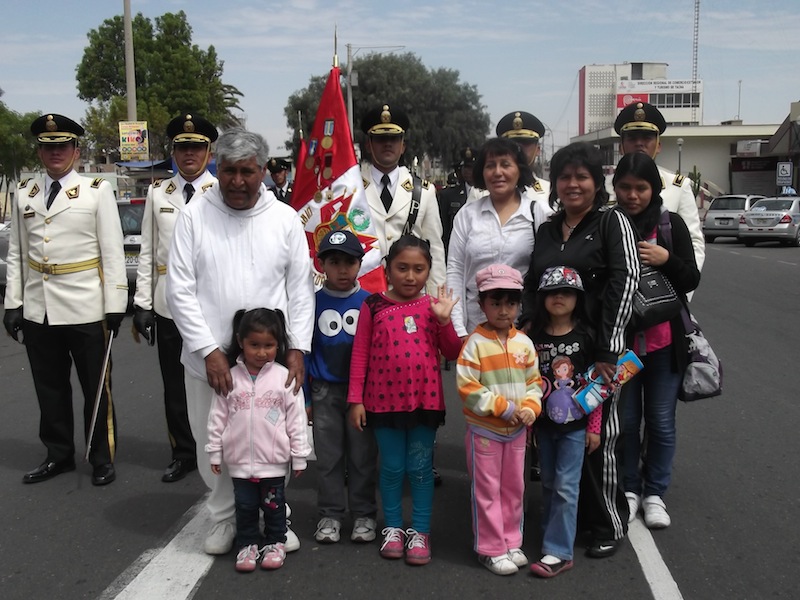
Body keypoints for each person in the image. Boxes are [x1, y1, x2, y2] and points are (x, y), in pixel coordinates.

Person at [167, 128, 314, 556]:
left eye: (246, 172)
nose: (236, 181)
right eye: (227, 171)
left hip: (269, 363)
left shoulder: (284, 218)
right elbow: (179, 289)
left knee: (273, 439)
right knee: (213, 440)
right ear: (217, 168)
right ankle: (224, 518)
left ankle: (275, 517)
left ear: (263, 171)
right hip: (208, 360)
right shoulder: (195, 215)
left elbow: (300, 289)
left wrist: (296, 349)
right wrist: (209, 351)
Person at [520, 142, 640, 559]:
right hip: (551, 352)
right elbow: (534, 286)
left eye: (582, 177)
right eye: (565, 177)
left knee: (598, 439)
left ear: (596, 182)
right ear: (554, 183)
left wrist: (609, 349)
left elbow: (625, 285)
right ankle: (564, 521)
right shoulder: (548, 229)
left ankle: (606, 521)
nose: (573, 184)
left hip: (598, 354)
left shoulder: (612, 223)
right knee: (556, 435)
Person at [3, 113, 127, 486]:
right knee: (50, 387)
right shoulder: (25, 193)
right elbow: (17, 255)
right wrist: (13, 303)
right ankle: (58, 454)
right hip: (39, 306)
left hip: (86, 304)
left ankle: (101, 456)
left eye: (62, 146)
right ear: (39, 151)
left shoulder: (96, 192)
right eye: (47, 146)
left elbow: (112, 252)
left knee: (96, 388)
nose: (55, 153)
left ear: (75, 149)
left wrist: (116, 304)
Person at [348, 235, 461, 566]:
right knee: (393, 467)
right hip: (383, 406)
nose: (410, 276)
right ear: (387, 268)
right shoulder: (373, 305)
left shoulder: (432, 307)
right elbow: (360, 354)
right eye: (402, 268)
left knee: (421, 469)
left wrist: (444, 321)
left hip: (425, 404)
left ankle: (420, 531)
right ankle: (394, 528)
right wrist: (356, 400)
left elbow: (453, 352)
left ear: (428, 271)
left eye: (418, 269)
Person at [612, 153, 701, 529]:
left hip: (665, 345)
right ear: (615, 189)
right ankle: (630, 489)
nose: (633, 195)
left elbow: (690, 280)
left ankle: (655, 494)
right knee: (627, 422)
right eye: (625, 187)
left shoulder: (671, 224)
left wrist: (666, 258)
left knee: (662, 422)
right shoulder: (607, 225)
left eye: (641, 188)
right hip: (622, 348)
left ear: (654, 189)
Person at [133, 113, 218, 483]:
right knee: (175, 383)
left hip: (211, 303)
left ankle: (216, 446)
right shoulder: (157, 193)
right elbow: (149, 251)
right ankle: (183, 451)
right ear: (173, 151)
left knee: (216, 380)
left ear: (208, 151)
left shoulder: (220, 191)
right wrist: (142, 303)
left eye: (196, 148)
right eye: (182, 148)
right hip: (169, 304)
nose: (189, 155)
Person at [207, 308, 312, 572]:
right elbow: (217, 418)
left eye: (269, 345)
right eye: (254, 345)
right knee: (245, 506)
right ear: (241, 341)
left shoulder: (283, 378)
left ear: (279, 345)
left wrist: (299, 456)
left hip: (273, 462)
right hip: (240, 462)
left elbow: (296, 420)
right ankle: (248, 544)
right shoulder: (230, 377)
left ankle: (276, 541)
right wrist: (215, 452)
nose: (261, 352)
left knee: (274, 506)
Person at [456, 264, 542, 576]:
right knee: (487, 489)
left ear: (519, 305)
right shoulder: (475, 344)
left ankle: (511, 540)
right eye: (495, 302)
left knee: (514, 488)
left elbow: (535, 382)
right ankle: (490, 549)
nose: (503, 310)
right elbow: (468, 387)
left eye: (511, 303)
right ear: (481, 305)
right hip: (485, 432)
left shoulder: (524, 343)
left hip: (518, 432)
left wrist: (531, 407)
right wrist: (507, 408)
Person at [528, 266, 602, 578]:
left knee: (566, 487)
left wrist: (594, 427)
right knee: (547, 483)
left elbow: (598, 385)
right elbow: (529, 382)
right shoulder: (533, 336)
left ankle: (559, 551)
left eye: (567, 292)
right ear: (541, 297)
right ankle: (551, 537)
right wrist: (530, 423)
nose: (559, 297)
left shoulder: (587, 336)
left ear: (578, 298)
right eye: (552, 292)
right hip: (543, 426)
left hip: (576, 428)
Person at [307, 229, 378, 545]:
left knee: (362, 455)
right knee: (329, 456)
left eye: (349, 262)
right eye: (334, 262)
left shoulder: (370, 303)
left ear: (360, 264)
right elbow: (306, 352)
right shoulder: (311, 303)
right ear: (321, 265)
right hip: (324, 391)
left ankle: (364, 513)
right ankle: (330, 514)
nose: (342, 269)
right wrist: (307, 397)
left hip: (360, 394)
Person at [446, 138, 537, 339]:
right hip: (475, 330)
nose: (497, 172)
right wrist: (459, 329)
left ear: (519, 169)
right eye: (490, 166)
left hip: (523, 331)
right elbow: (455, 270)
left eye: (505, 164)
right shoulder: (467, 215)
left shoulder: (538, 214)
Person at [360, 104, 445, 293]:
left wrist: (435, 301)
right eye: (381, 139)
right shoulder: (354, 190)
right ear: (369, 145)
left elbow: (435, 251)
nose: (388, 144)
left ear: (403, 146)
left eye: (394, 138)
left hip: (412, 297)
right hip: (365, 294)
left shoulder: (424, 191)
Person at [613, 101, 705, 271]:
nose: (639, 143)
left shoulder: (678, 186)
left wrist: (680, 294)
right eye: (632, 138)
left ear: (659, 145)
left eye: (647, 138)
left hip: (663, 288)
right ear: (621, 146)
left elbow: (694, 243)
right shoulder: (604, 187)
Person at [495, 110, 554, 229]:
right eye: (512, 144)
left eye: (525, 143)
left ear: (538, 149)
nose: (518, 149)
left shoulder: (550, 191)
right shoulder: (482, 192)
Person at [437, 147, 482, 253]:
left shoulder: (488, 194)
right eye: (465, 167)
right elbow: (443, 229)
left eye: (471, 168)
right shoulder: (448, 195)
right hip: (454, 251)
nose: (467, 171)